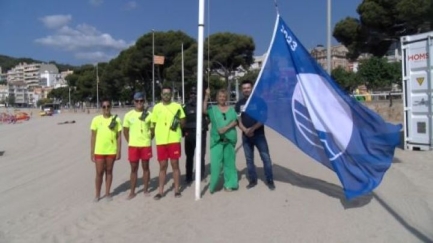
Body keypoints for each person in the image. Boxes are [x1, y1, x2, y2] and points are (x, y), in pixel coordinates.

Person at [235, 80, 275, 190]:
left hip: (259, 135)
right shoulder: (239, 104)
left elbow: (263, 119)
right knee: (249, 159)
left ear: (252, 88)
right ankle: (252, 180)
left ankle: (269, 179)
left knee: (265, 158)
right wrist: (244, 130)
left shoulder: (260, 101)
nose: (246, 90)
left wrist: (252, 129)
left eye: (248, 87)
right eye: (244, 88)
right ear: (242, 90)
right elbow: (238, 119)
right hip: (246, 137)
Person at [150, 86, 186, 200]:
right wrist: (150, 137)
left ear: (171, 95)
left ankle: (176, 190)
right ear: (161, 95)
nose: (166, 95)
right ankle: (160, 191)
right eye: (164, 93)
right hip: (161, 141)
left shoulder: (177, 106)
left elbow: (183, 122)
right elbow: (153, 125)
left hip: (174, 140)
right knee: (162, 166)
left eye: (168, 94)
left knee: (175, 164)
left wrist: (179, 121)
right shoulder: (156, 108)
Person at [203, 88, 238, 193]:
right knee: (215, 165)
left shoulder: (231, 109)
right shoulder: (212, 109)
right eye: (220, 96)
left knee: (229, 164)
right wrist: (206, 97)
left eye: (224, 97)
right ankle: (213, 186)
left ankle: (229, 184)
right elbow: (203, 111)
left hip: (229, 139)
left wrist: (226, 128)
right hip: (216, 140)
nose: (222, 98)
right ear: (217, 98)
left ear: (226, 98)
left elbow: (236, 121)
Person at [90, 98, 122, 202]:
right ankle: (97, 194)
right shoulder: (96, 120)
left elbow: (118, 137)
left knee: (109, 171)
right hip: (99, 151)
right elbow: (93, 137)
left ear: (111, 107)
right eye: (104, 106)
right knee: (99, 172)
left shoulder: (116, 120)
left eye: (108, 106)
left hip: (111, 150)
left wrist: (118, 151)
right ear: (101, 108)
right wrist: (92, 152)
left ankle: (108, 193)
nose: (106, 108)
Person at [123, 92, 153, 200]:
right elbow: (125, 130)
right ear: (134, 102)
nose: (139, 103)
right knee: (133, 169)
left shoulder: (149, 114)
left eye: (141, 101)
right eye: (137, 101)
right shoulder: (128, 115)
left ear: (144, 101)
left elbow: (152, 129)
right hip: (133, 146)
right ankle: (132, 191)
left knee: (145, 167)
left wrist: (148, 139)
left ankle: (145, 190)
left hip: (145, 145)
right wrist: (130, 141)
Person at [183, 86, 208, 184]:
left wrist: (204, 125)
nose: (193, 95)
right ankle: (188, 176)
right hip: (189, 133)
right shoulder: (186, 107)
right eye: (192, 93)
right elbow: (182, 120)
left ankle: (201, 175)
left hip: (201, 132)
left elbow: (207, 115)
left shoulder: (202, 106)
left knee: (201, 155)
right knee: (189, 156)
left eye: (195, 93)